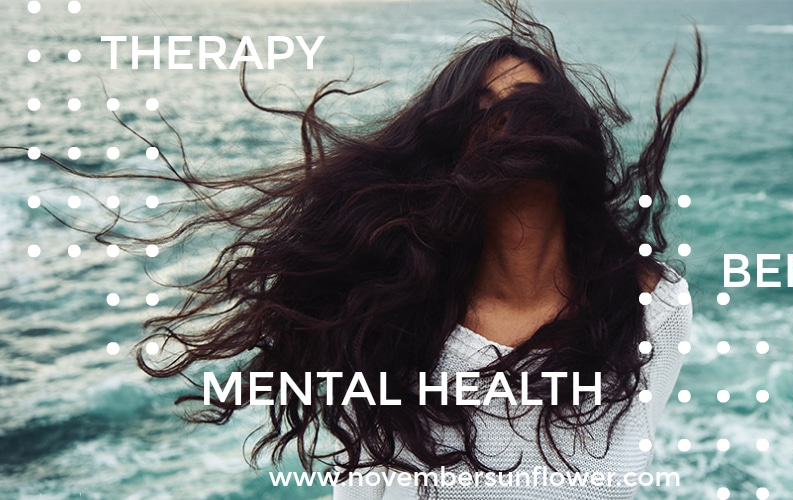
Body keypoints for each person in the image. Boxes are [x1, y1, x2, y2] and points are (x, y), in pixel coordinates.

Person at [7, 1, 702, 498]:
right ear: (449, 146)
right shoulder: (390, 313)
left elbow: (624, 465)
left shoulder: (654, 306)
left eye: (526, 105)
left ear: (570, 131)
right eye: (482, 112)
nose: (507, 123)